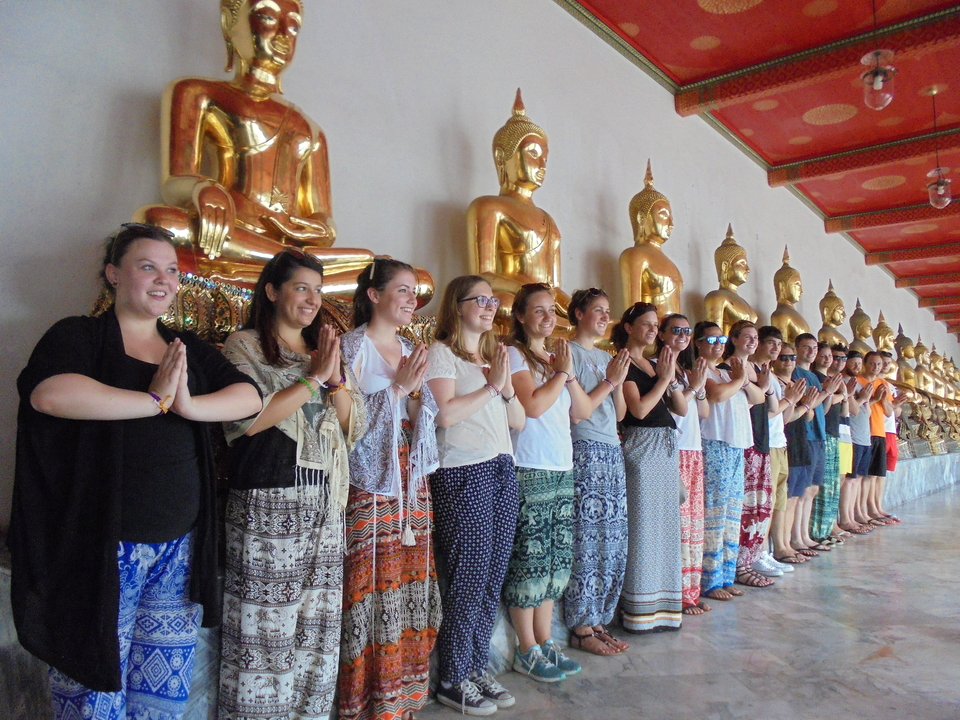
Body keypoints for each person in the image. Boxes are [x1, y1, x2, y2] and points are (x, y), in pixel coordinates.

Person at [10, 223, 263, 720]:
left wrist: (187, 404)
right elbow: (49, 394)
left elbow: (251, 397)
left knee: (160, 689)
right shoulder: (79, 335)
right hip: (102, 549)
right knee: (94, 684)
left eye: (172, 271)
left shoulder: (184, 347)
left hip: (178, 546)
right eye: (148, 266)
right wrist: (151, 401)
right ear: (113, 274)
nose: (163, 279)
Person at [218, 249, 363, 720]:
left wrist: (335, 380)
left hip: (325, 499)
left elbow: (350, 427)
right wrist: (313, 379)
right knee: (266, 631)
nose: (312, 299)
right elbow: (247, 420)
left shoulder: (323, 351)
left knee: (316, 630)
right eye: (301, 287)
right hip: (269, 496)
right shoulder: (243, 346)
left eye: (318, 291)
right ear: (272, 291)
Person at [338, 258, 442, 720]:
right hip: (370, 479)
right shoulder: (349, 347)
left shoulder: (409, 347)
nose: (411, 299)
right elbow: (345, 423)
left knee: (410, 582)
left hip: (411, 478)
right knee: (370, 584)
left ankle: (405, 696)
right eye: (401, 290)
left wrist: (417, 396)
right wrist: (397, 390)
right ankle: (369, 702)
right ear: (374, 295)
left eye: (414, 291)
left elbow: (426, 423)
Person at [424, 275, 526, 715]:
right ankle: (451, 677)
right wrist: (489, 387)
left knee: (491, 577)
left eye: (493, 300)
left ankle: (474, 665)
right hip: (463, 470)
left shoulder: (491, 359)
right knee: (467, 577)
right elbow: (443, 416)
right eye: (479, 300)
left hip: (502, 466)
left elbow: (519, 419)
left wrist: (501, 384)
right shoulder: (440, 354)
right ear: (457, 306)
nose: (489, 306)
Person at [502, 283, 591, 682]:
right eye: (536, 310)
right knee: (530, 559)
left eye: (550, 310)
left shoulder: (556, 357)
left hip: (561, 465)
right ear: (520, 316)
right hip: (530, 465)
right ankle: (526, 648)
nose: (546, 317)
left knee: (556, 562)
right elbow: (533, 406)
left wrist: (569, 374)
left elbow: (582, 411)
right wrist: (560, 372)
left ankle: (545, 641)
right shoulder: (513, 353)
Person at [563, 289, 632, 654]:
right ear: (578, 314)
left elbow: (620, 414)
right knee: (587, 537)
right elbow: (578, 412)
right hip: (585, 447)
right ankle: (580, 625)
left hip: (611, 448)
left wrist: (617, 381)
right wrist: (608, 381)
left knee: (612, 537)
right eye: (598, 311)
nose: (606, 317)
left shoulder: (607, 357)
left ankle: (599, 616)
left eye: (608, 312)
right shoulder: (568, 353)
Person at [613, 302, 686, 632]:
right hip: (642, 446)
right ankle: (638, 609)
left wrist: (668, 377)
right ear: (629, 327)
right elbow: (638, 410)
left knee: (665, 528)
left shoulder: (656, 363)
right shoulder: (623, 362)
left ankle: (664, 605)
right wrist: (663, 379)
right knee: (643, 528)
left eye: (656, 325)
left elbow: (680, 407)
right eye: (646, 324)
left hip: (666, 446)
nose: (653, 330)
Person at [695, 321, 764, 599]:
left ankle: (725, 575)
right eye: (711, 339)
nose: (718, 343)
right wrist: (740, 380)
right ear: (698, 343)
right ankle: (709, 580)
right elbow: (717, 395)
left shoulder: (728, 374)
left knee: (732, 515)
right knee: (715, 513)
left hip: (736, 449)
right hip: (714, 446)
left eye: (721, 339)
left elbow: (758, 397)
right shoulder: (703, 371)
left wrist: (743, 380)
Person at [658, 314, 711, 615]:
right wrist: (694, 387)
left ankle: (690, 591)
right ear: (662, 334)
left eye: (687, 330)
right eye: (675, 330)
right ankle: (674, 593)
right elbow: (673, 406)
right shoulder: (658, 365)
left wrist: (698, 386)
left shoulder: (683, 368)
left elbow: (701, 411)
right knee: (676, 525)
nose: (682, 335)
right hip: (671, 449)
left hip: (693, 450)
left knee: (692, 525)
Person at [724, 320, 776, 589]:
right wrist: (759, 386)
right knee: (743, 507)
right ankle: (738, 564)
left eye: (755, 337)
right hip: (744, 442)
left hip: (761, 441)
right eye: (747, 336)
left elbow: (766, 400)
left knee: (759, 507)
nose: (752, 341)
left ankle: (750, 559)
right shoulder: (729, 366)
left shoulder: (755, 369)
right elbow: (757, 396)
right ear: (733, 339)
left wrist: (760, 385)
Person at [750, 327, 804, 574]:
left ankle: (769, 550)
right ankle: (758, 552)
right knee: (764, 502)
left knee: (777, 501)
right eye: (770, 343)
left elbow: (784, 417)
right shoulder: (753, 370)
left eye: (778, 344)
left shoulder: (771, 375)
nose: (775, 349)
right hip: (764, 443)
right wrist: (790, 399)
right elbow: (767, 410)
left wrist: (793, 400)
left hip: (780, 442)